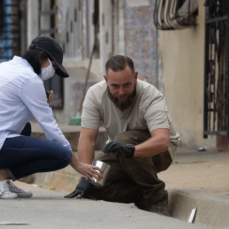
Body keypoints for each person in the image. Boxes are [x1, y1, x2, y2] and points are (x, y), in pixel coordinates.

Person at [0, 36, 102, 199]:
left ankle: (2, 179)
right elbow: (49, 125)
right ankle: (1, 175)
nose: (52, 72)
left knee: (25, 128)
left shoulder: (5, 67)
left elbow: (11, 106)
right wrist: (76, 163)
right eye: (53, 66)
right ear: (41, 56)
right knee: (62, 155)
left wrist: (41, 99)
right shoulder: (29, 79)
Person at [65, 55, 180, 216]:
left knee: (123, 140)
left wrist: (130, 151)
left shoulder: (150, 95)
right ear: (106, 80)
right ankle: (141, 194)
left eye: (127, 85)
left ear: (135, 77)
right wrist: (86, 177)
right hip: (119, 150)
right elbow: (87, 139)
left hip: (160, 153)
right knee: (94, 185)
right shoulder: (95, 95)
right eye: (115, 86)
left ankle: (156, 197)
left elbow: (162, 141)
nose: (121, 92)